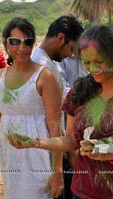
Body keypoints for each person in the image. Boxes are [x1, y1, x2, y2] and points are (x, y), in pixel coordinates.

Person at [8, 25, 113, 199]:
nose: (93, 69)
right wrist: (36, 142)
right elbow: (72, 140)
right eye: (87, 63)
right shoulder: (80, 91)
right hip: (84, 191)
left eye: (99, 62)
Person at [0, 17, 63, 199]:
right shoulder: (1, 76)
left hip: (38, 158)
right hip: (10, 157)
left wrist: (58, 171)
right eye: (15, 42)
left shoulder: (44, 77)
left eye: (27, 42)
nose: (22, 48)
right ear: (6, 43)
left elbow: (55, 127)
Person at [31, 14, 84, 199]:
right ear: (60, 38)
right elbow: (52, 119)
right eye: (71, 48)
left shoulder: (48, 63)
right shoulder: (40, 66)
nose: (71, 54)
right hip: (49, 150)